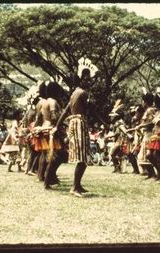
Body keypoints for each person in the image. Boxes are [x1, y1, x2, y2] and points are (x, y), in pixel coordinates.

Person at [52, 58, 101, 197]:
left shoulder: (74, 92)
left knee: (83, 157)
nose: (89, 82)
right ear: (81, 79)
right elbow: (90, 110)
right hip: (79, 123)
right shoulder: (83, 93)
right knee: (82, 158)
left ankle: (78, 185)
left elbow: (67, 110)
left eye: (89, 80)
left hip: (76, 123)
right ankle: (74, 187)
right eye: (87, 79)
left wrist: (57, 125)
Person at [35, 81, 67, 189]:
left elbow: (40, 116)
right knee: (56, 156)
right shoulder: (52, 102)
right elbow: (54, 117)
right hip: (51, 130)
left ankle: (46, 178)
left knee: (47, 155)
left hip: (44, 128)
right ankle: (48, 180)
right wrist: (62, 121)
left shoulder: (44, 102)